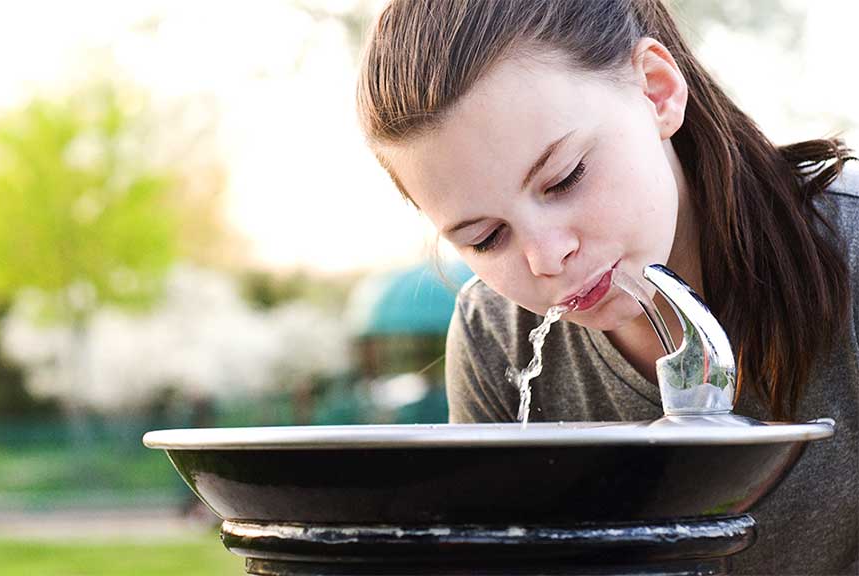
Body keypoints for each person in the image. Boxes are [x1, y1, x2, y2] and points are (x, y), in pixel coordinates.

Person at [355, 0, 858, 573]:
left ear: (656, 91)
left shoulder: (851, 250)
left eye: (565, 178)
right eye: (487, 237)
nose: (547, 258)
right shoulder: (494, 335)